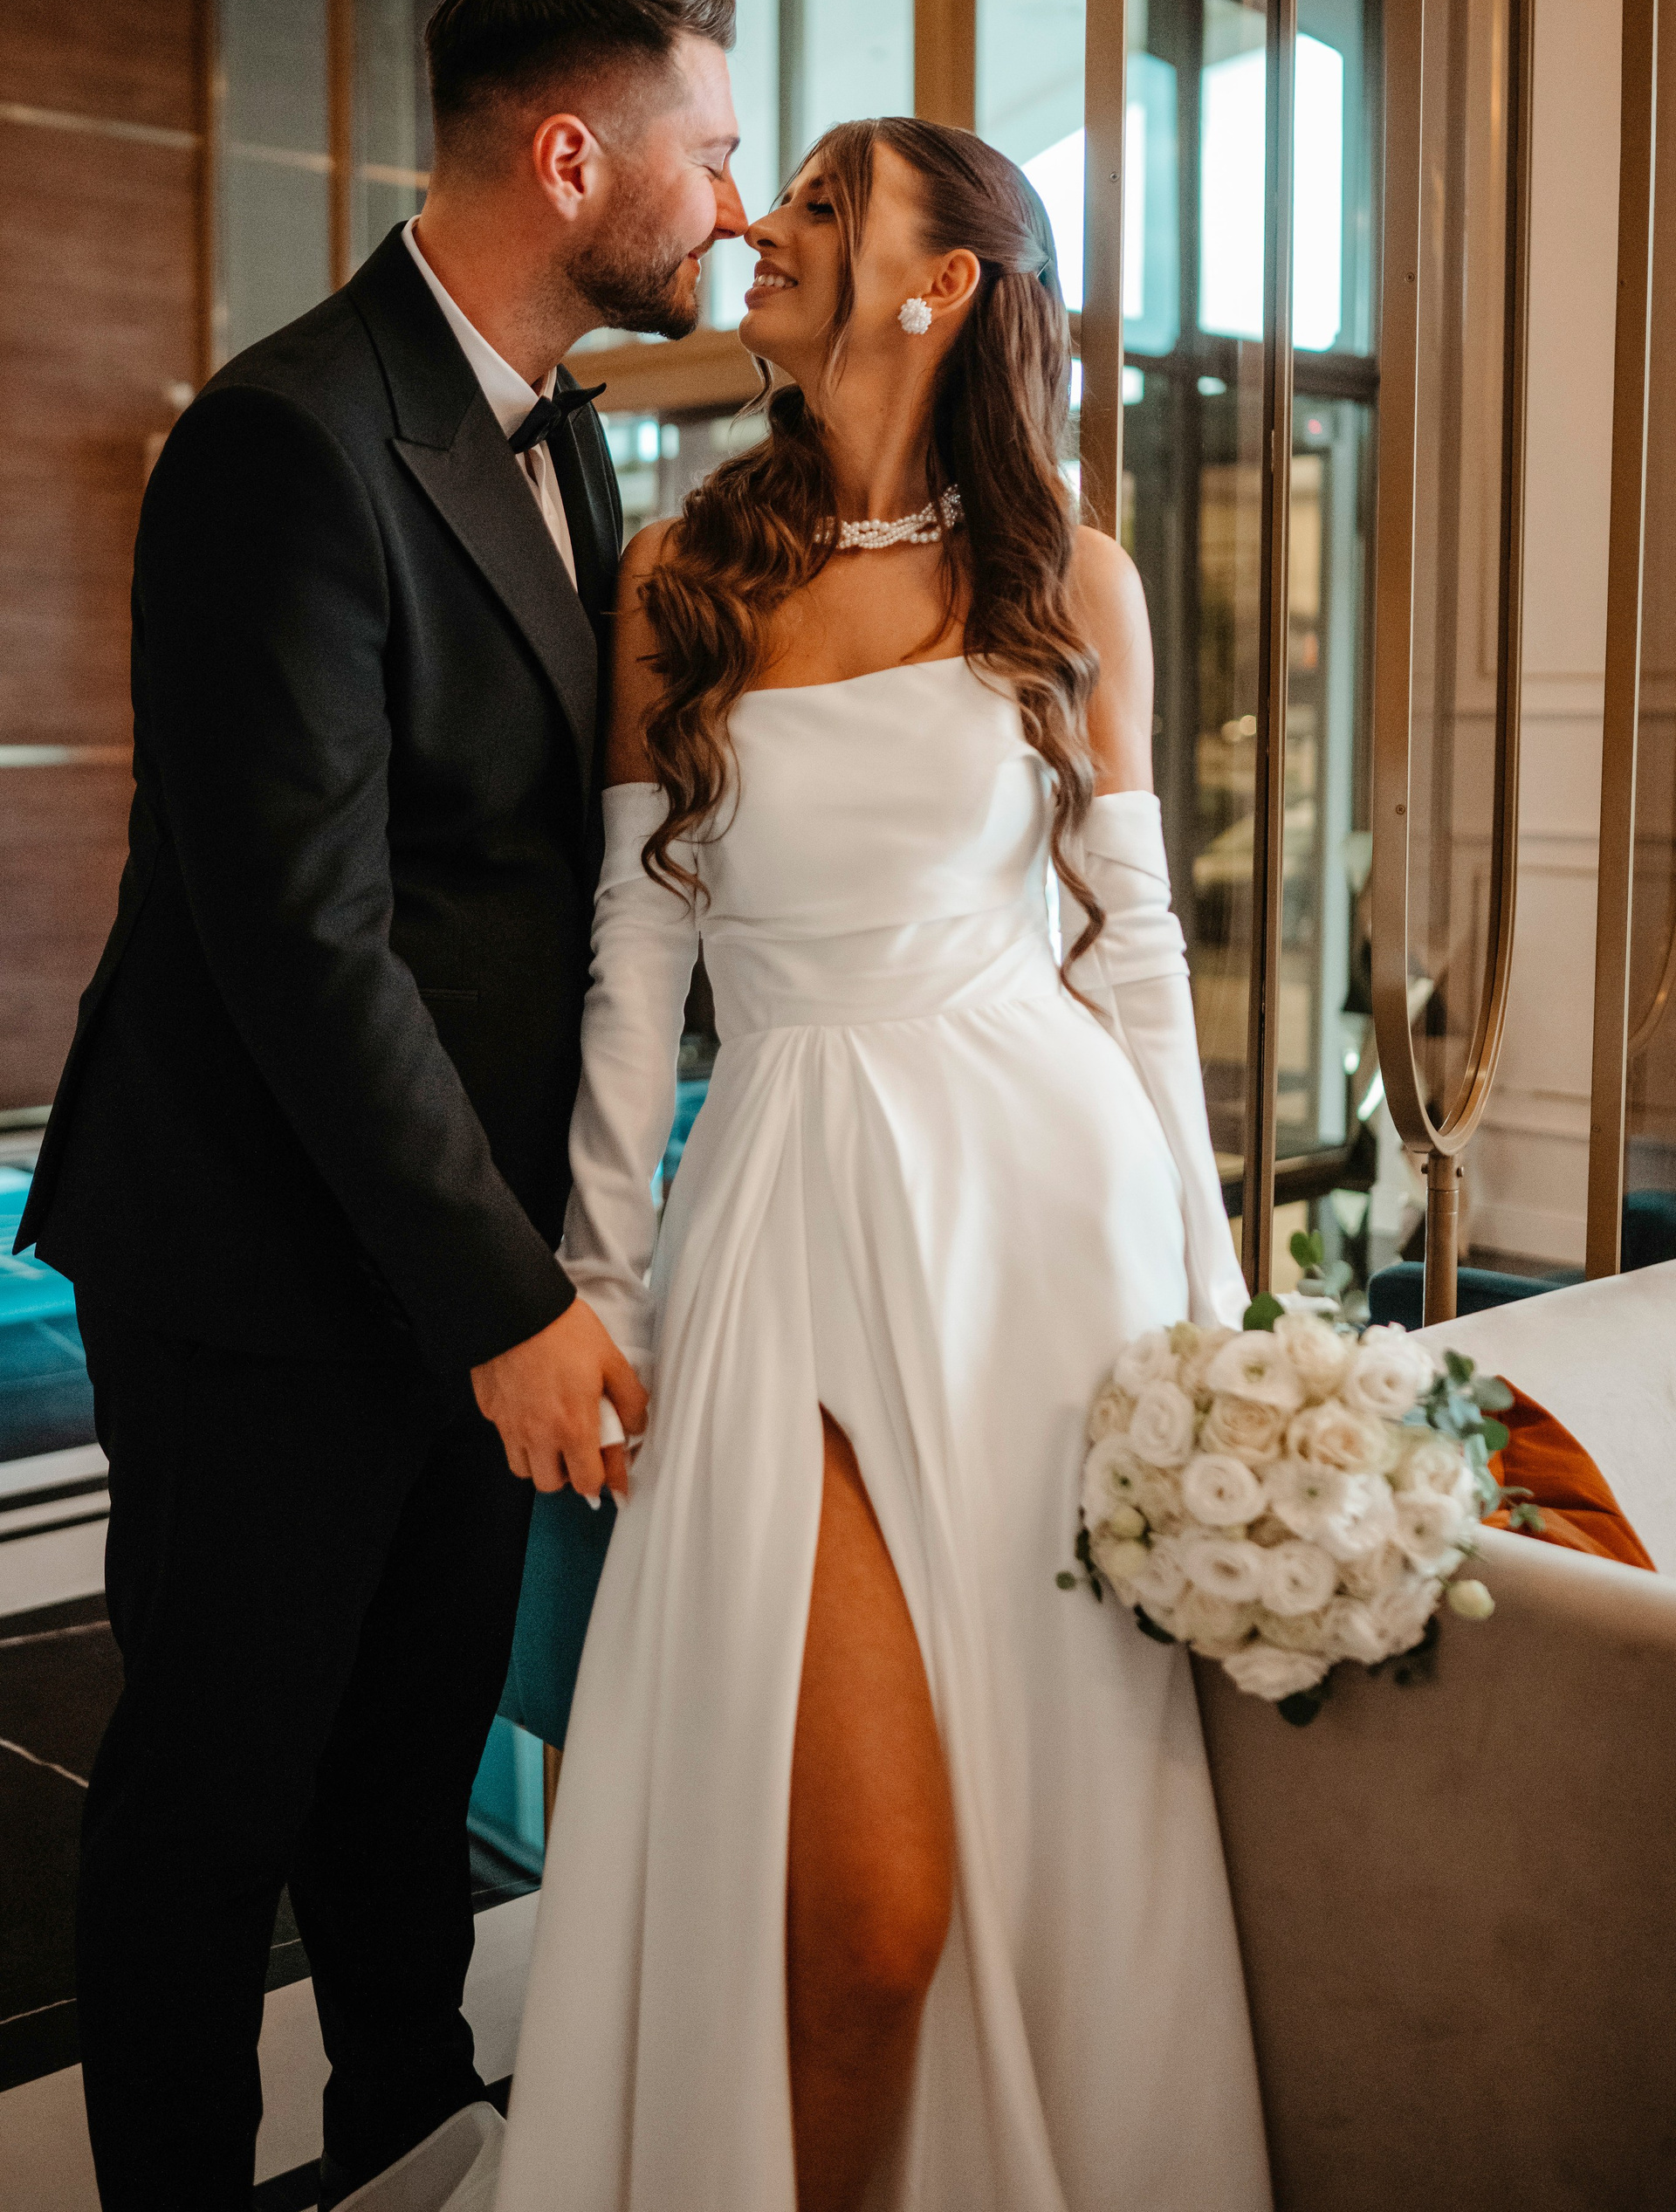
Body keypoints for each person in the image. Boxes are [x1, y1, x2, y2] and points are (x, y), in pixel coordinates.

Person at [361, 115, 1270, 2210]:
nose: (763, 224)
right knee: (869, 1915)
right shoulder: (685, 579)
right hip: (787, 1203)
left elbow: (1133, 955)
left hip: (1058, 1235)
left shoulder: (1074, 579)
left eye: (829, 208)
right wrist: (599, 1275)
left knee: (1057, 1814)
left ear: (943, 287)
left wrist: (1218, 1312)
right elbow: (635, 963)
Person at [15, 0, 743, 2210]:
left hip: (457, 1249)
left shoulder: (567, 438)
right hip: (257, 1253)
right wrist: (508, 1300)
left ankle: (413, 2135)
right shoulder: (284, 437)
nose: (732, 204)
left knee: (413, 1747)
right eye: (712, 152)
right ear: (571, 157)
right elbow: (300, 938)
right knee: (218, 1785)